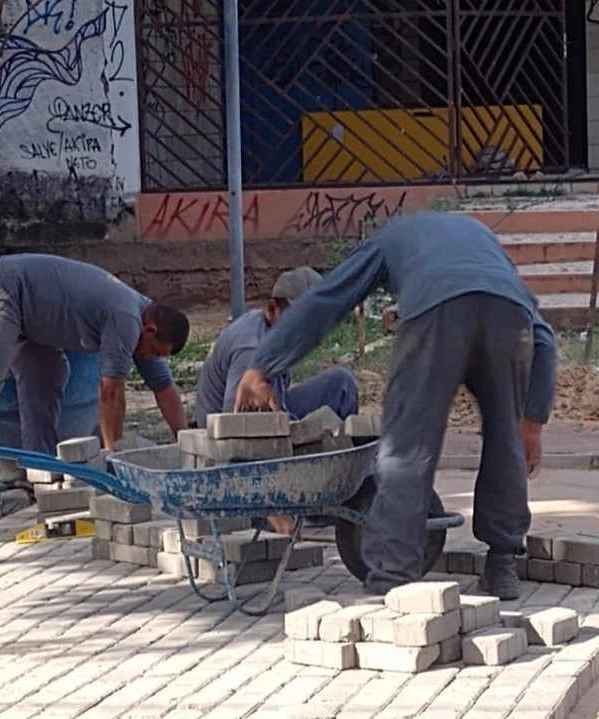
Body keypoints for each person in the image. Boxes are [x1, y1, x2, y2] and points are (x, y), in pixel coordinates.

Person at [235, 212, 557, 601]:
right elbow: (544, 337)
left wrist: (264, 363)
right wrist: (532, 422)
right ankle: (503, 564)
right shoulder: (484, 246)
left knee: (409, 443)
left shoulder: (391, 239)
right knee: (505, 436)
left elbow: (327, 299)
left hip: (437, 311)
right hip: (510, 318)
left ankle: (391, 575)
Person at [0, 254, 189, 527]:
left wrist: (189, 446)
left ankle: (40, 475)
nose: (149, 358)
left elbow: (164, 388)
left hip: (30, 317)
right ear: (150, 330)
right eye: (154, 352)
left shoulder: (142, 322)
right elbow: (111, 394)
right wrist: (115, 460)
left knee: (48, 375)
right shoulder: (126, 318)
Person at [193, 267, 359, 428]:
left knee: (341, 384)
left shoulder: (270, 331)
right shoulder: (250, 349)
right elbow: (233, 425)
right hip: (231, 439)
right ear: (272, 310)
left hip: (270, 416)